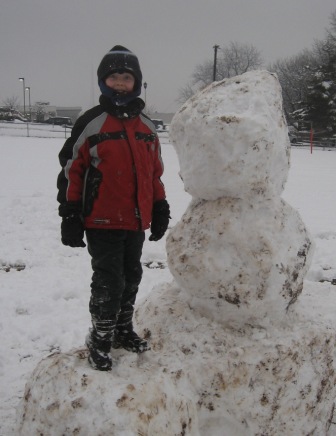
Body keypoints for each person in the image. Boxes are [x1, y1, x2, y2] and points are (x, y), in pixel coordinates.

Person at [57, 45, 170, 371]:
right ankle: (101, 337)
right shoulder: (92, 123)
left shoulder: (148, 128)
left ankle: (122, 329)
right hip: (101, 218)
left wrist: (160, 206)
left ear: (136, 82)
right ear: (103, 81)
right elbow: (71, 171)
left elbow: (154, 174)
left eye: (126, 77)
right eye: (114, 76)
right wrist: (70, 214)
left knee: (132, 275)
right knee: (109, 280)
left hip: (135, 221)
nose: (120, 82)